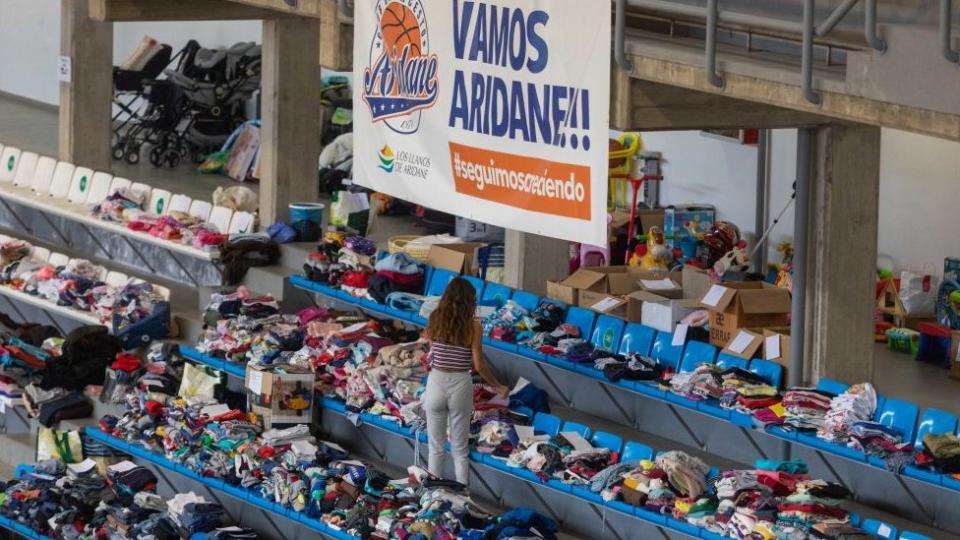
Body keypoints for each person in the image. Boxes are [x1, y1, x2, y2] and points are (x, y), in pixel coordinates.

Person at [422, 277, 509, 486]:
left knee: (436, 447)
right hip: (460, 383)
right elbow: (479, 365)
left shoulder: (434, 318)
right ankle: (463, 496)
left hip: (436, 382)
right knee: (459, 449)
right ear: (470, 301)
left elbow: (432, 351)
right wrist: (498, 386)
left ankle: (434, 495)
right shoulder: (474, 326)